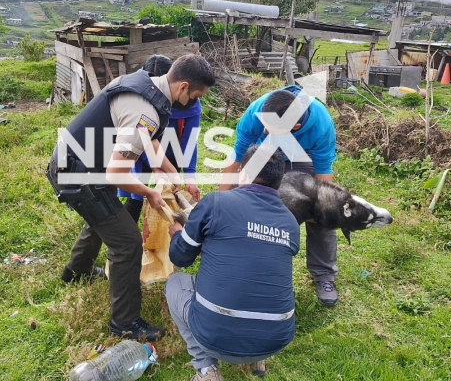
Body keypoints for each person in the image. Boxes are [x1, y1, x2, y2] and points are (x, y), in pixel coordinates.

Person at [46, 54, 215, 341]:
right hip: (78, 172)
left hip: (79, 164)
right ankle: (124, 323)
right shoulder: (145, 111)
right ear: (184, 87)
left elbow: (150, 142)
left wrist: (172, 173)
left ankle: (76, 272)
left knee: (105, 217)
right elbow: (116, 174)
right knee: (127, 241)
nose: (192, 103)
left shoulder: (148, 88)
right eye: (195, 96)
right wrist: (149, 192)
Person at [165, 144, 299, 380]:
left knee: (176, 282)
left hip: (215, 338)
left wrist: (178, 233)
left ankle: (206, 368)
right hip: (275, 340)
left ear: (242, 172)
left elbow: (180, 257)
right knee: (259, 274)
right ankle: (258, 360)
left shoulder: (216, 202)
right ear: (279, 180)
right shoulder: (289, 222)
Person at [220, 85, 339, 306]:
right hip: (262, 155)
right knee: (241, 200)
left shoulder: (321, 125)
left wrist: (321, 206)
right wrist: (221, 202)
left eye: (270, 130)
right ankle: (238, 260)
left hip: (304, 157)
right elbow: (236, 161)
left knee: (322, 208)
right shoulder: (256, 113)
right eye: (264, 128)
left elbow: (323, 175)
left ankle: (324, 274)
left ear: (295, 126)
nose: (264, 132)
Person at [119, 55, 202, 225]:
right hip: (139, 150)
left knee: (169, 195)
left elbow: (189, 141)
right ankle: (130, 241)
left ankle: (169, 241)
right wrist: (155, 166)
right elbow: (139, 137)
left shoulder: (189, 99)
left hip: (171, 149)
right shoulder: (136, 95)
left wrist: (190, 177)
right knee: (137, 196)